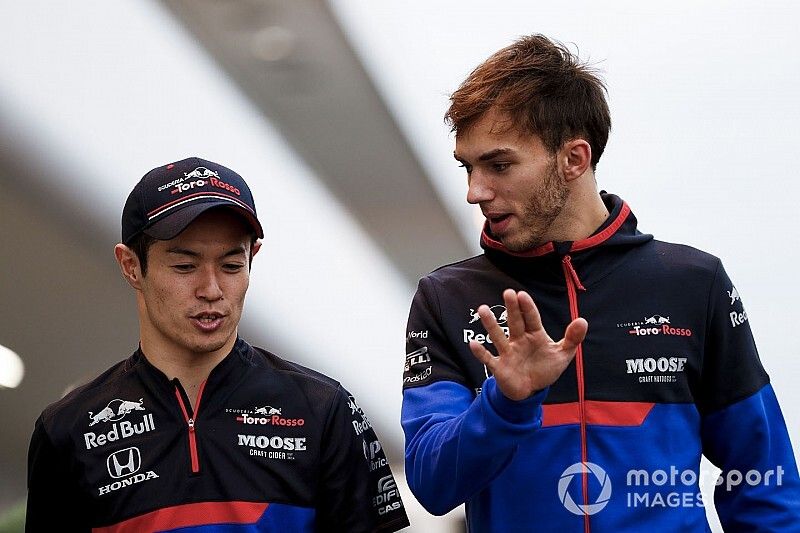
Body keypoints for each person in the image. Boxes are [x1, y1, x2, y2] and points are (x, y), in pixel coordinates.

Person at [402, 35, 800, 531]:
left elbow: (763, 478)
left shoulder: (693, 283)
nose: (474, 192)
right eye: (468, 166)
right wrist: (507, 404)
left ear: (574, 158)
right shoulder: (446, 297)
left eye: (499, 165)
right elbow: (431, 487)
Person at [26, 157, 409, 532]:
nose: (211, 290)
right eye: (185, 266)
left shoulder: (324, 409)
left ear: (252, 258)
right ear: (131, 266)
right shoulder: (68, 429)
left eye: (231, 266)